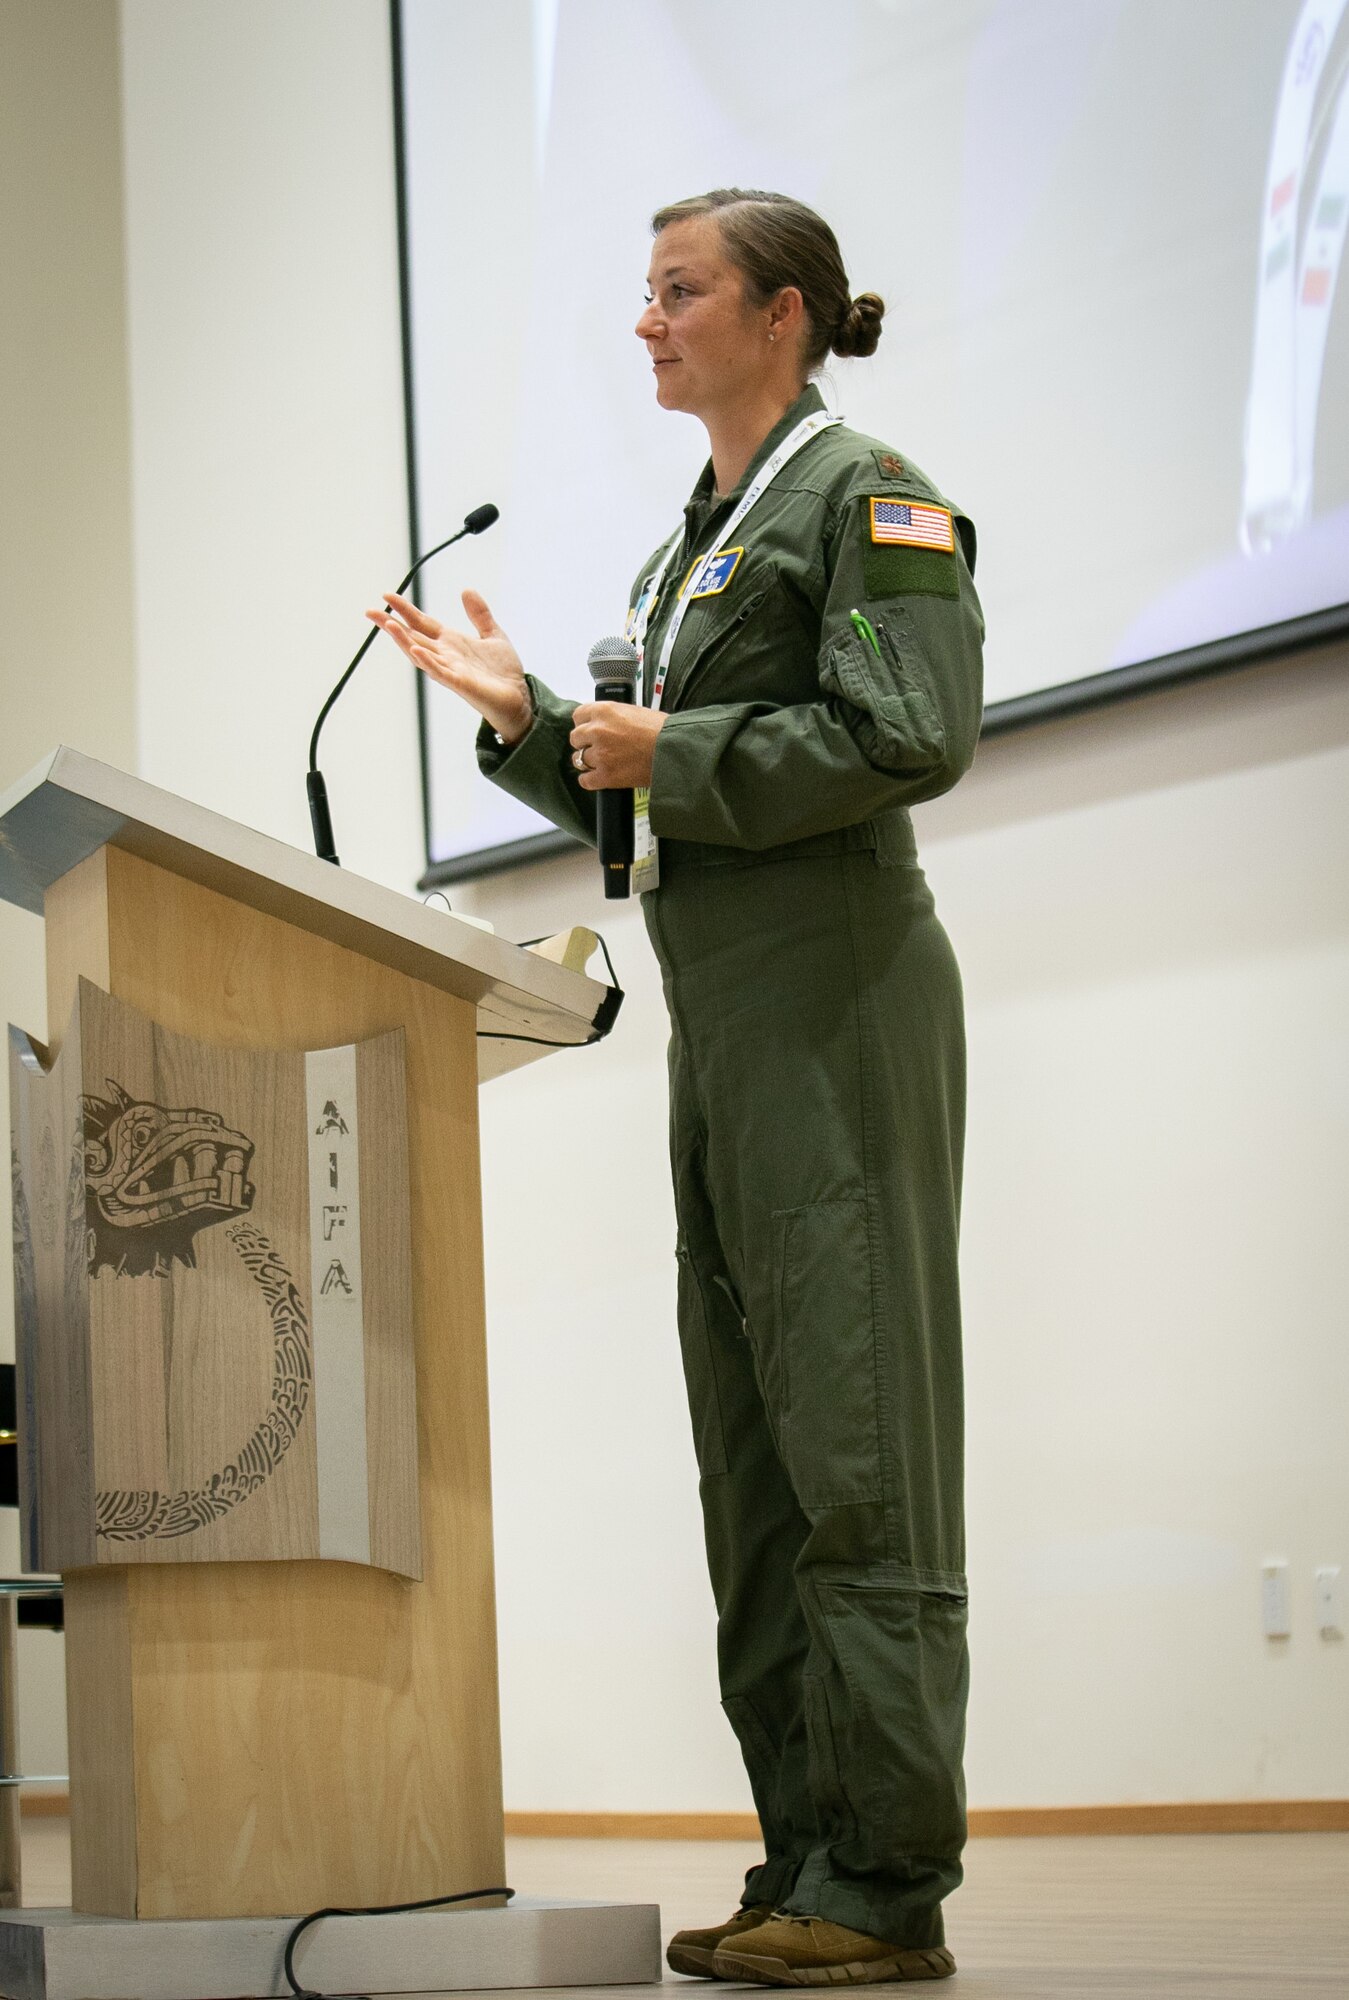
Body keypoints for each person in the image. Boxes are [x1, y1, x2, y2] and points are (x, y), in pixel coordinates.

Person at [368, 188, 984, 1989]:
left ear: (779, 313)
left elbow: (909, 736)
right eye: (644, 294)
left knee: (859, 1454)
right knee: (759, 1467)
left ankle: (884, 1884)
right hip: (720, 1027)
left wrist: (670, 745)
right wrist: (528, 723)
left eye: (679, 291)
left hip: (837, 1010)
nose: (647, 322)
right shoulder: (694, 540)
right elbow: (654, 795)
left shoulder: (867, 490)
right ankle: (803, 1857)